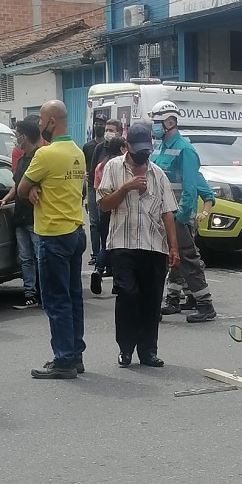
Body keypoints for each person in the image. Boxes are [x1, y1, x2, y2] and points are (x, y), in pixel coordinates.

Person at [97, 124, 179, 367]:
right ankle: (125, 348)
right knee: (128, 295)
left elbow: (167, 213)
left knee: (151, 300)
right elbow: (103, 205)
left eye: (147, 150)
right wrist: (126, 187)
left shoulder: (158, 174)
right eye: (138, 150)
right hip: (122, 244)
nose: (143, 155)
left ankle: (148, 351)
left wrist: (173, 246)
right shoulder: (113, 168)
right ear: (127, 147)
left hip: (154, 246)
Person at [18, 100, 86, 380]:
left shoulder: (45, 155)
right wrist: (37, 187)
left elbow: (22, 188)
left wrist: (33, 187)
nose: (38, 125)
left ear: (51, 122)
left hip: (53, 234)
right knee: (74, 298)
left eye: (41, 120)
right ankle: (75, 354)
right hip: (75, 232)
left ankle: (63, 360)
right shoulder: (78, 153)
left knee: (56, 301)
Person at [149, 100, 216, 323]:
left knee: (188, 258)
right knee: (171, 259)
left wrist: (181, 217)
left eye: (157, 122)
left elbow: (189, 188)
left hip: (177, 215)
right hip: (162, 214)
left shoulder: (185, 149)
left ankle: (205, 305)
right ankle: (173, 299)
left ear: (169, 122)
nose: (154, 127)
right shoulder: (161, 147)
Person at [0, 119, 42, 309]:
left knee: (39, 257)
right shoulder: (21, 160)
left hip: (35, 216)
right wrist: (4, 199)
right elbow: (17, 184)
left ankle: (43, 292)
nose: (15, 138)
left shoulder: (39, 157)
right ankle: (30, 293)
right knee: (25, 257)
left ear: (25, 136)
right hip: (20, 217)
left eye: (17, 134)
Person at [162, 171, 215, 314]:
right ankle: (180, 297)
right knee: (175, 261)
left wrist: (203, 214)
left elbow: (208, 196)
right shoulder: (174, 175)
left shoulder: (193, 175)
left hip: (185, 223)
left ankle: (186, 298)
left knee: (185, 259)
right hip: (172, 221)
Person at [90, 136, 125, 295]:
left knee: (106, 244)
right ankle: (117, 281)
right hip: (118, 209)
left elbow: (97, 189)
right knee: (119, 247)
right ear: (122, 148)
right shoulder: (121, 166)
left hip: (103, 209)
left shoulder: (100, 166)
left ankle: (98, 270)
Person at [88, 118, 123, 268]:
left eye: (111, 130)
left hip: (109, 200)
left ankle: (101, 266)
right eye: (106, 130)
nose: (107, 133)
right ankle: (102, 261)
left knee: (108, 234)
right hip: (105, 198)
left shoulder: (121, 152)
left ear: (119, 133)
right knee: (100, 228)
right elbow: (93, 174)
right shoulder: (100, 150)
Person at [83, 115, 107, 264]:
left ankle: (105, 254)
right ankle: (95, 254)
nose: (99, 126)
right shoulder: (88, 146)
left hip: (105, 188)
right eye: (96, 124)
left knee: (104, 221)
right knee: (93, 223)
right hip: (92, 186)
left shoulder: (109, 145)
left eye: (102, 124)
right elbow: (86, 168)